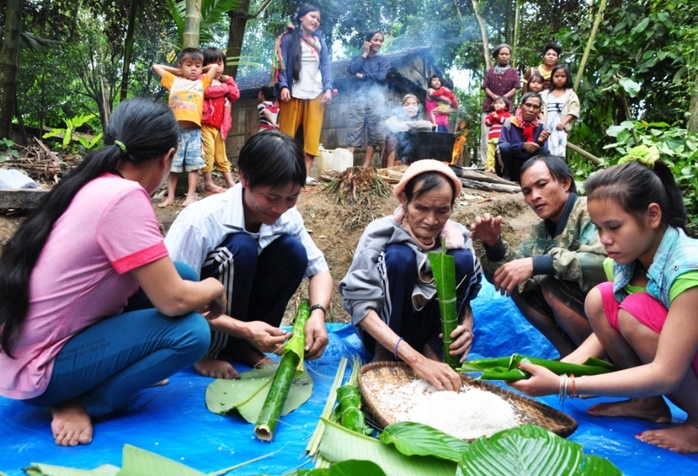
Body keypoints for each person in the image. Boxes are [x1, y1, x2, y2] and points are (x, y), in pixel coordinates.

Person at [0, 98, 226, 446]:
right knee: (191, 333)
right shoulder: (125, 199)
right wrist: (216, 287)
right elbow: (173, 300)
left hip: (22, 351)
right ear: (167, 157)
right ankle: (83, 401)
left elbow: (172, 281)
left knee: (181, 272)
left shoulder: (93, 183)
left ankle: (99, 377)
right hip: (40, 371)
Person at [510, 154, 698, 454]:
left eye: (614, 227)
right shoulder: (626, 262)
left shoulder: (689, 269)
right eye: (599, 229)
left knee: (634, 312)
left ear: (652, 215)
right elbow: (602, 332)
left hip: (674, 367)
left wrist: (567, 386)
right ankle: (647, 402)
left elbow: (667, 373)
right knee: (603, 297)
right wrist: (560, 370)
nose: (605, 240)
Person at [164, 130, 332, 380]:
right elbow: (173, 299)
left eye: (291, 198)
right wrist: (243, 329)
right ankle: (208, 351)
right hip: (196, 320)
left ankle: (247, 346)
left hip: (239, 319)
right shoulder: (203, 220)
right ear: (244, 178)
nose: (280, 208)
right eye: (272, 197)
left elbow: (320, 271)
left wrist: (318, 314)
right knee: (241, 248)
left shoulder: (286, 214)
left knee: (293, 251)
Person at [339, 160, 482, 391]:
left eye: (442, 210)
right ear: (405, 200)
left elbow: (467, 298)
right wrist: (416, 361)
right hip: (384, 333)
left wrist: (466, 326)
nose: (431, 220)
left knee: (463, 259)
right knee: (399, 257)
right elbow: (360, 306)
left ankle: (433, 348)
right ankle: (384, 354)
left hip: (430, 331)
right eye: (422, 208)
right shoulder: (380, 233)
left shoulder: (458, 237)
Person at [471, 155, 606, 357]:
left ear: (566, 183)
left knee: (550, 282)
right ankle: (568, 354)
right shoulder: (541, 230)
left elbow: (604, 262)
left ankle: (596, 360)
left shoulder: (590, 210)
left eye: (541, 185)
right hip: (583, 310)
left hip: (610, 314)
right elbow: (509, 270)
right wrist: (493, 244)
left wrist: (540, 264)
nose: (534, 196)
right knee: (515, 281)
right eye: (527, 191)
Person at [152, 48, 221, 207]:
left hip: (194, 133)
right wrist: (178, 71)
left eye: (197, 65)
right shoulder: (174, 81)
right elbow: (156, 67)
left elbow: (214, 68)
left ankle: (190, 196)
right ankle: (170, 196)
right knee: (173, 167)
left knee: (193, 165)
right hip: (175, 133)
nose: (194, 68)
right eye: (189, 65)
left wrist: (199, 69)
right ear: (180, 66)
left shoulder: (201, 83)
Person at [275, 4, 334, 186]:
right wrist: (284, 85)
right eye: (312, 16)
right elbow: (281, 63)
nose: (315, 21)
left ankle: (305, 175)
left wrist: (329, 88)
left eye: (318, 19)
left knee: (312, 136)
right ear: (301, 17)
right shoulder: (288, 39)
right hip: (293, 93)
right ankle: (282, 174)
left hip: (316, 93)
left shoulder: (319, 42)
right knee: (285, 136)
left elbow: (325, 66)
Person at [345, 30, 391, 168]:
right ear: (368, 41)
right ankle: (346, 166)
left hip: (376, 98)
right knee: (354, 130)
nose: (378, 43)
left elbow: (381, 76)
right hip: (358, 97)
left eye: (381, 40)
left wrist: (363, 76)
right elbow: (352, 70)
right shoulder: (357, 58)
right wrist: (364, 54)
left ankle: (366, 166)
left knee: (375, 133)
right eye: (375, 40)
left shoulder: (383, 60)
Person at [201, 47, 240, 192]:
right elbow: (206, 92)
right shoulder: (203, 80)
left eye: (220, 64)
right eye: (212, 64)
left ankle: (230, 182)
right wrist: (225, 88)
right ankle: (208, 182)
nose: (217, 68)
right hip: (206, 124)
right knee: (209, 153)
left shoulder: (225, 82)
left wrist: (229, 81)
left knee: (221, 155)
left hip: (220, 126)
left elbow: (235, 95)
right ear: (205, 66)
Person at [480, 44, 521, 168]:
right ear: (497, 55)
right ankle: (486, 164)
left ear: (509, 56)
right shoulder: (491, 71)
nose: (504, 56)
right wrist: (495, 98)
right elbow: (485, 86)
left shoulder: (513, 72)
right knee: (486, 135)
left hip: (506, 110)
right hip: (489, 107)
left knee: (504, 135)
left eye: (506, 54)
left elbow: (515, 88)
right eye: (501, 54)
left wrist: (503, 99)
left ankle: (502, 165)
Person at [497, 92, 551, 182]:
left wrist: (539, 142)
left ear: (539, 111)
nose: (531, 109)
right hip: (511, 165)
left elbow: (543, 152)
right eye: (528, 105)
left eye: (535, 107)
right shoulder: (509, 122)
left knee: (545, 152)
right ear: (521, 106)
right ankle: (506, 175)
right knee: (504, 147)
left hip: (529, 167)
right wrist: (522, 146)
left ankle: (534, 179)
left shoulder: (542, 126)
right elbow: (501, 145)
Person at [382, 94, 433, 167]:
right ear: (402, 107)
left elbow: (429, 125)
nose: (411, 107)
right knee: (391, 137)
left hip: (414, 153)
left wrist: (407, 125)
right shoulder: (396, 118)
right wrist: (411, 127)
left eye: (414, 105)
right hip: (398, 153)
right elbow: (389, 124)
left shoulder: (419, 120)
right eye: (407, 105)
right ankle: (389, 167)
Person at [540, 64, 579, 157]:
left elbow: (574, 110)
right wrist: (543, 121)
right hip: (545, 126)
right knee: (544, 151)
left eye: (563, 76)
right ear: (552, 77)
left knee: (558, 153)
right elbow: (538, 109)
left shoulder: (571, 94)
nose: (559, 79)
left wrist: (564, 122)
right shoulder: (544, 94)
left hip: (560, 126)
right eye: (556, 76)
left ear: (567, 78)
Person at [484, 96, 511, 173]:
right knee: (490, 153)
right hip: (492, 138)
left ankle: (501, 168)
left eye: (501, 103)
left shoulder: (507, 114)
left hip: (501, 138)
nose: (498, 105)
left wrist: (498, 117)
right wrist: (492, 117)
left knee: (500, 154)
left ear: (506, 107)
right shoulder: (491, 114)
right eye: (496, 103)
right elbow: (487, 123)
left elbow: (507, 122)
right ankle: (490, 167)